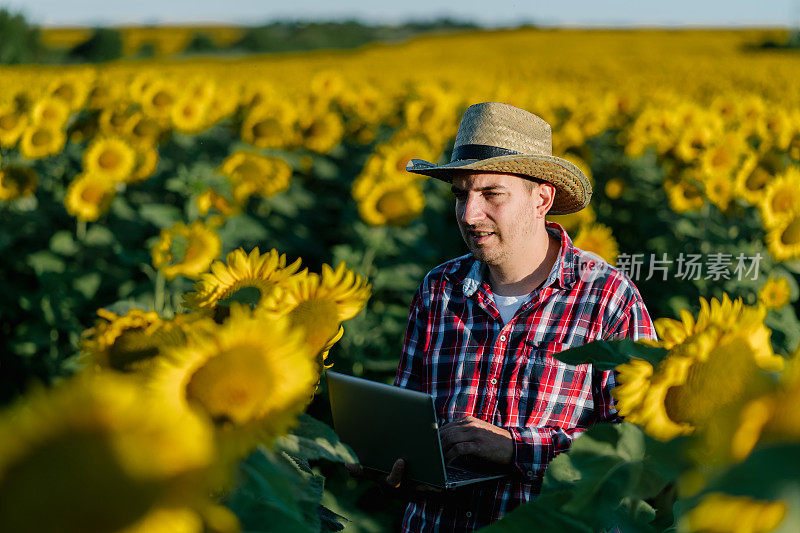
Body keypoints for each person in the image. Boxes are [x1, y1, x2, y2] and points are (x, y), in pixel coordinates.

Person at [352, 102, 657, 531]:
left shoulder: (606, 298)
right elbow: (409, 420)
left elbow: (640, 450)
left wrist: (518, 449)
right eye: (461, 194)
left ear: (542, 199)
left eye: (491, 194)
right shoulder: (439, 290)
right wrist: (394, 464)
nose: (469, 214)